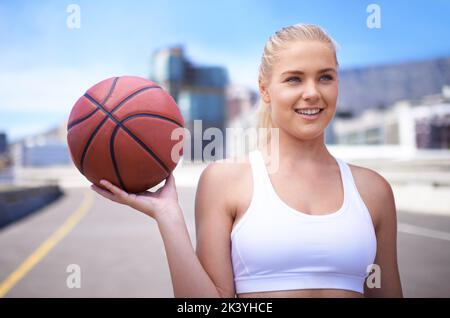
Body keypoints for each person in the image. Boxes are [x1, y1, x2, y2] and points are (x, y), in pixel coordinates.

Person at [91, 23, 403, 298]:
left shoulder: (373, 191)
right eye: (294, 79)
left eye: (325, 77)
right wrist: (168, 217)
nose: (311, 93)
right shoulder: (225, 181)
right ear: (265, 90)